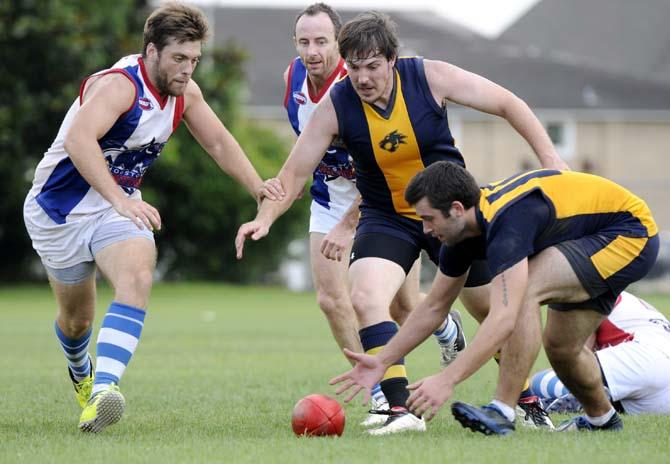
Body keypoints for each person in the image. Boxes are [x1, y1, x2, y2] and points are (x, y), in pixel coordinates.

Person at [236, 11, 567, 435]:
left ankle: (524, 398)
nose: (363, 77)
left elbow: (508, 103)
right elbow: (294, 173)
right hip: (386, 216)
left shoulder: (430, 77)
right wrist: (263, 217)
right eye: (354, 68)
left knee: (494, 308)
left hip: (453, 215)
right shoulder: (336, 104)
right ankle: (400, 411)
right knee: (365, 295)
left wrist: (551, 160)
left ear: (392, 60)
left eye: (372, 66)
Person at [23, 2, 281, 433]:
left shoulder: (186, 93)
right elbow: (79, 140)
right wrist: (120, 198)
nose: (187, 69)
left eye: (194, 60)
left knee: (139, 274)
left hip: (115, 209)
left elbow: (218, 142)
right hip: (58, 212)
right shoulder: (120, 87)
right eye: (179, 58)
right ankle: (80, 371)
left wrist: (257, 187)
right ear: (152, 51)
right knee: (76, 321)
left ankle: (103, 391)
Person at [330, 161, 658, 435]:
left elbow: (504, 316)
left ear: (457, 209)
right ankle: (602, 421)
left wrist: (448, 379)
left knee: (525, 292)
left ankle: (503, 410)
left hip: (629, 232)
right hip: (586, 237)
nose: (426, 230)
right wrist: (383, 359)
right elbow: (434, 305)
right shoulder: (461, 236)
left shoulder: (507, 221)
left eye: (429, 218)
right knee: (562, 349)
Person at [283, 3, 453, 428]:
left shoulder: (360, 81)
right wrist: (265, 210)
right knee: (333, 298)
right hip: (328, 198)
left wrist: (350, 223)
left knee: (404, 305)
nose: (312, 50)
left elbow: (388, 169)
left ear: (338, 44)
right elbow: (296, 165)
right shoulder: (293, 80)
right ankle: (383, 394)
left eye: (321, 41)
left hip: (379, 200)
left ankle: (447, 330)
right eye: (304, 41)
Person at [530, 291, 670, 415]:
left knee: (539, 381)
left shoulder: (588, 291)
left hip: (642, 358)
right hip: (660, 394)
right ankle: (598, 396)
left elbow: (575, 359)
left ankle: (579, 400)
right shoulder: (617, 294)